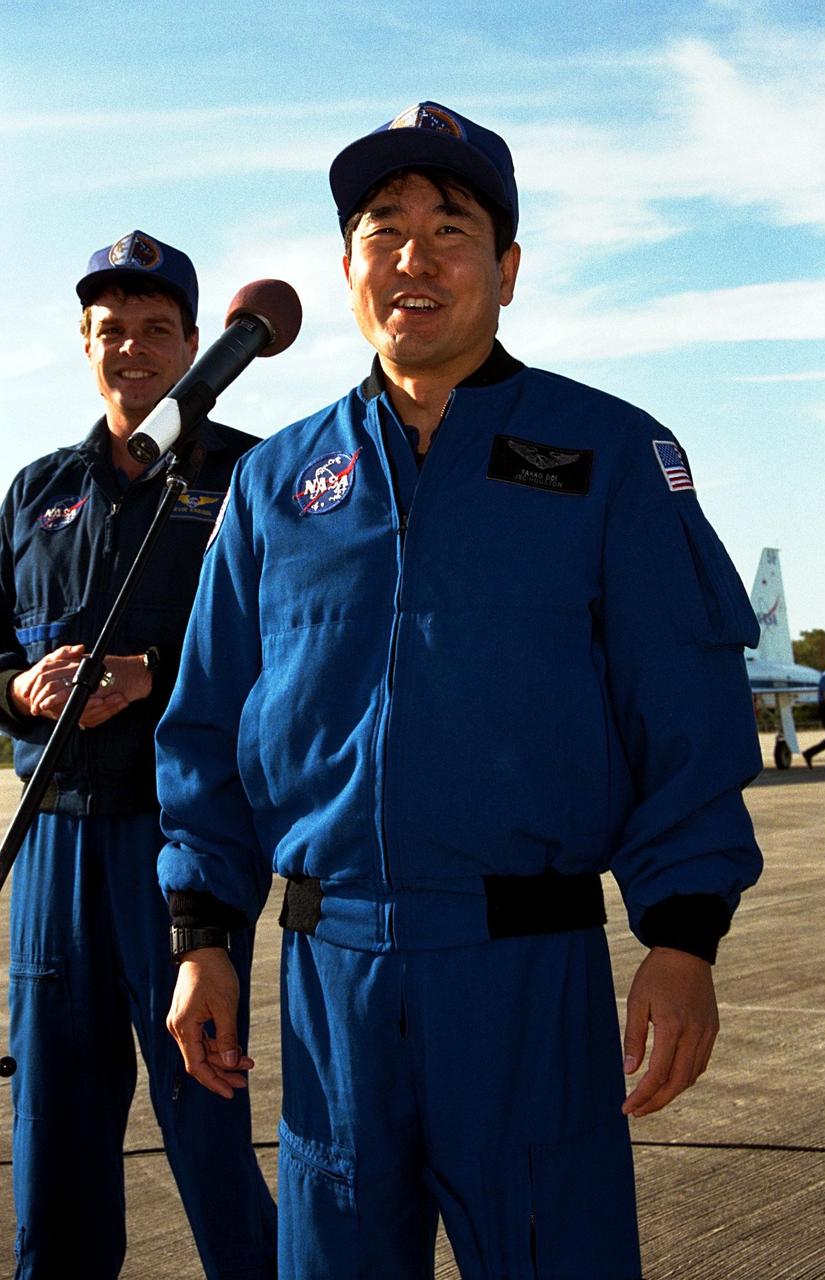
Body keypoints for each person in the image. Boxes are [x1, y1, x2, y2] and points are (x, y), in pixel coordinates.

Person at [157, 103, 764, 1279]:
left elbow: (682, 707)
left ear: (508, 268)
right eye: (383, 230)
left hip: (526, 979)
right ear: (347, 270)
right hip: (330, 979)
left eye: (451, 227)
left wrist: (683, 937)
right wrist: (201, 934)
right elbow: (208, 722)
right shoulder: (276, 483)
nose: (414, 256)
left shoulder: (610, 456)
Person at [0, 231, 276, 1279]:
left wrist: (153, 674)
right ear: (83, 344)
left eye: (156, 329)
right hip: (52, 843)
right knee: (54, 1130)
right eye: (110, 329)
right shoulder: (35, 491)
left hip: (179, 839)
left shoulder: (250, 476)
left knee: (204, 1115)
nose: (132, 348)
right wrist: (19, 689)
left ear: (196, 343)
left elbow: (292, 640)